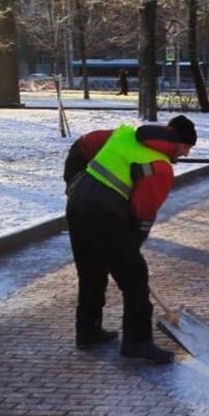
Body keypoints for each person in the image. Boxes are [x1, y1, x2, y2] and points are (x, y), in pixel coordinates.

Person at [65, 115, 197, 363]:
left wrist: (73, 184)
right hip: (104, 213)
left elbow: (83, 146)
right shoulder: (159, 167)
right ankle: (137, 343)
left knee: (91, 270)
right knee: (135, 276)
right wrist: (131, 245)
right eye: (186, 148)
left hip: (77, 205)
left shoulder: (123, 134)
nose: (187, 154)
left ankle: (88, 331)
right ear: (176, 142)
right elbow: (143, 212)